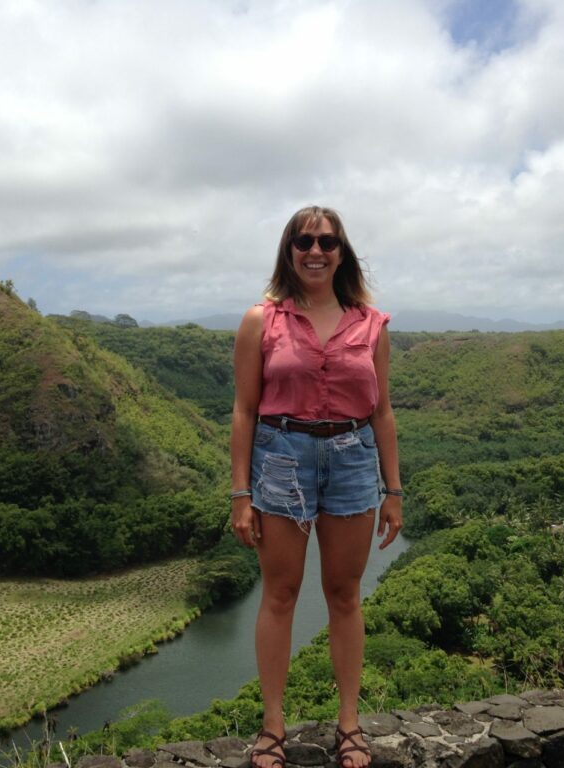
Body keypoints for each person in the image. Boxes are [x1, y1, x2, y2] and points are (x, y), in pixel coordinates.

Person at [230, 206, 402, 768]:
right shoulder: (264, 319)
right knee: (280, 595)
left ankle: (349, 724)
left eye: (327, 242)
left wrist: (392, 489)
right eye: (304, 240)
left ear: (341, 252)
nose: (315, 250)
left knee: (344, 596)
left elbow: (382, 414)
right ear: (289, 250)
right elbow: (245, 410)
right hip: (280, 458)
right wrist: (240, 494)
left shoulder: (368, 322)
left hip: (353, 459)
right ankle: (272, 727)